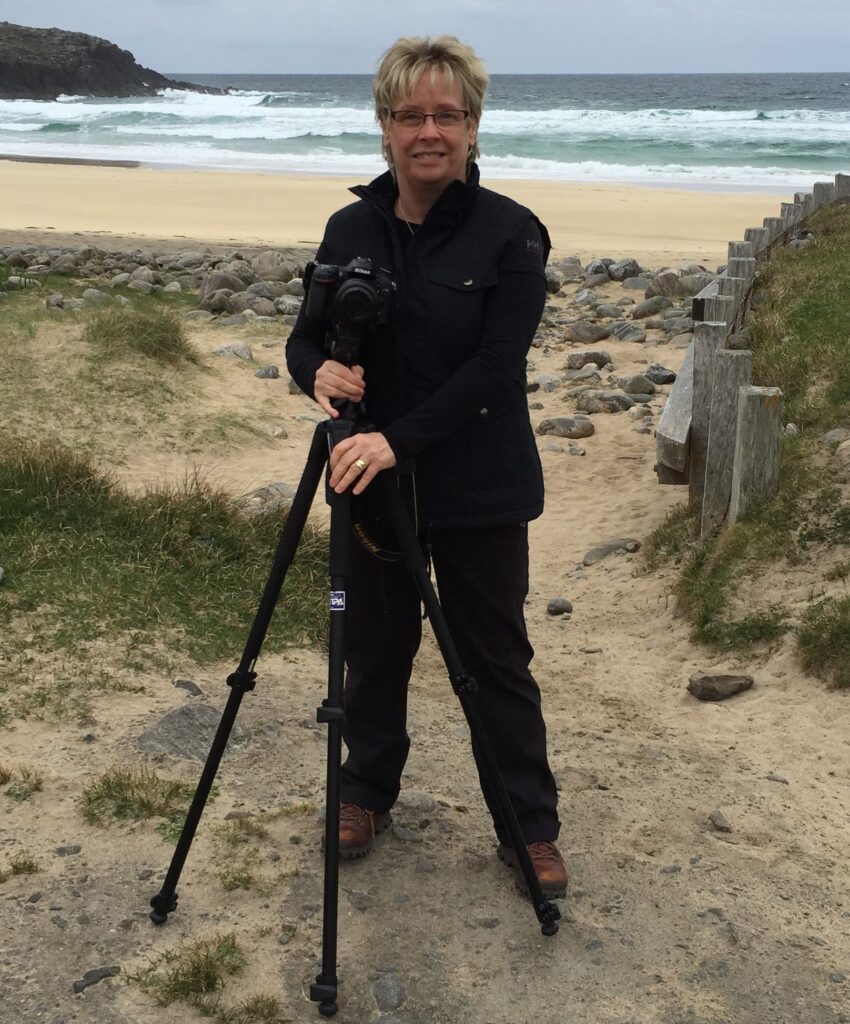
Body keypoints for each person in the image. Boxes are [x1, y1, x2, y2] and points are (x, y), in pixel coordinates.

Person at [286, 35, 566, 897]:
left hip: (479, 485)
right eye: (411, 115)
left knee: (494, 658)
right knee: (374, 651)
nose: (429, 131)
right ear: (385, 127)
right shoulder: (349, 226)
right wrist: (314, 374)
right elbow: (306, 338)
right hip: (369, 483)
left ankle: (528, 827)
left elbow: (494, 369)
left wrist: (397, 439)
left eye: (447, 115)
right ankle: (366, 791)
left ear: (474, 127)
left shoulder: (512, 233)